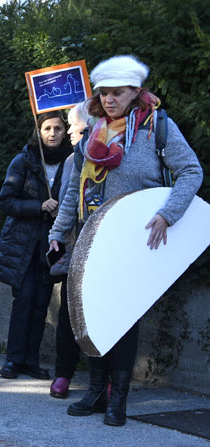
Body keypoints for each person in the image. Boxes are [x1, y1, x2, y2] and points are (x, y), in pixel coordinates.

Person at [48, 55, 202, 426]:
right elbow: (74, 189)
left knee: (124, 317)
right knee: (95, 314)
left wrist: (168, 214)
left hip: (134, 241)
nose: (110, 99)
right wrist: (57, 231)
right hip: (92, 238)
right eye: (104, 93)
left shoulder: (157, 128)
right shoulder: (93, 134)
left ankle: (119, 400)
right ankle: (97, 393)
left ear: (136, 92)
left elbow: (191, 172)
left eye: (118, 93)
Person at [0, 111, 71, 381]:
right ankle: (13, 360)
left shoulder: (72, 162)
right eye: (47, 128)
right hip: (23, 244)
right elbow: (6, 201)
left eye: (58, 128)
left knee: (41, 303)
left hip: (51, 244)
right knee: (23, 300)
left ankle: (31, 361)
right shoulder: (23, 161)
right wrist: (39, 206)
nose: (52, 133)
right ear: (38, 131)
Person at [48, 100, 92, 399]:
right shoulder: (70, 161)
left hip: (106, 246)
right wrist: (58, 232)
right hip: (75, 248)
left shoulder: (113, 154)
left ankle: (109, 379)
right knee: (68, 315)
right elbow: (67, 200)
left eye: (72, 123)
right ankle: (63, 374)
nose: (68, 130)